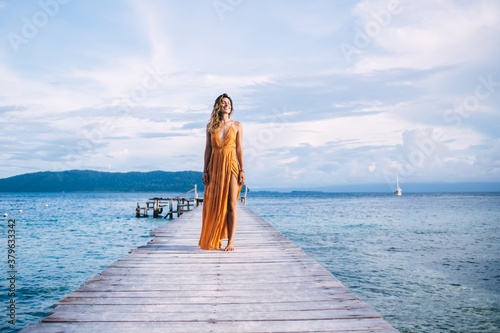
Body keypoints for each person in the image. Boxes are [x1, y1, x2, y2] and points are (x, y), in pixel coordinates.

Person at [199, 93, 245, 251]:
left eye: (228, 103)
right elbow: (208, 149)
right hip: (215, 167)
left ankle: (230, 241)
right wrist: (205, 170)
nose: (226, 105)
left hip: (231, 165)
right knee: (215, 203)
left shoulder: (237, 125)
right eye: (223, 102)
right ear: (218, 106)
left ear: (231, 107)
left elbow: (239, 149)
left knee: (231, 204)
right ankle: (217, 236)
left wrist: (242, 170)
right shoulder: (210, 126)